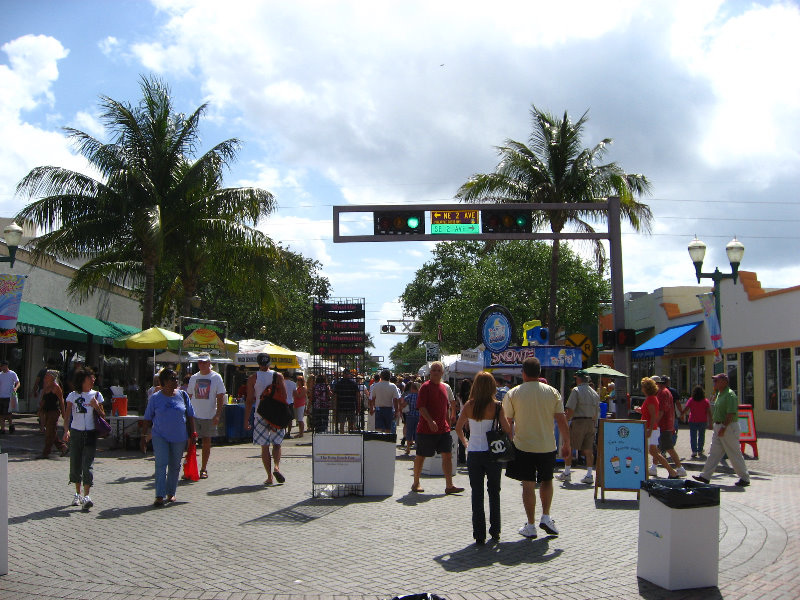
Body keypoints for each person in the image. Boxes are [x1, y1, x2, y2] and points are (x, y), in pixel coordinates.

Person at [502, 357, 570, 538]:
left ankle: (530, 525)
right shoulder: (552, 392)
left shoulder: (513, 393)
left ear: (523, 373)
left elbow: (507, 422)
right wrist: (567, 444)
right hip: (547, 445)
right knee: (547, 481)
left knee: (528, 485)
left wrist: (509, 440)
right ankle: (546, 516)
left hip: (522, 445)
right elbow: (561, 420)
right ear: (540, 373)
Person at [455, 371, 513, 545]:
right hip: (493, 453)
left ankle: (479, 533)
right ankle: (495, 530)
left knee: (477, 494)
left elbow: (458, 428)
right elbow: (507, 429)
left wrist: (466, 444)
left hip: (474, 452)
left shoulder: (469, 405)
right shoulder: (497, 406)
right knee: (494, 492)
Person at [143, 368, 197, 505]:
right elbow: (147, 418)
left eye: (176, 378)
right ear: (163, 382)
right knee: (161, 464)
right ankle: (159, 495)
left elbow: (190, 416)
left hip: (179, 437)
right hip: (160, 435)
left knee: (175, 465)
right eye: (172, 379)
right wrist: (143, 436)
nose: (176, 381)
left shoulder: (183, 395)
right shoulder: (155, 398)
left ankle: (171, 493)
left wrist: (193, 433)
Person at [411, 361, 464, 495]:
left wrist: (448, 423)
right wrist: (430, 421)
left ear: (442, 373)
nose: (435, 372)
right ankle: (416, 482)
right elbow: (421, 407)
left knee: (447, 456)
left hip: (443, 429)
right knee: (421, 455)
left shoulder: (444, 387)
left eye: (438, 370)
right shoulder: (425, 387)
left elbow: (445, 407)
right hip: (426, 429)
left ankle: (449, 485)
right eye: (433, 370)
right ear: (430, 373)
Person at [694, 373, 750, 487]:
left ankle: (744, 478)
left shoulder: (730, 395)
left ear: (724, 382)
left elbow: (731, 413)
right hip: (719, 426)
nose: (714, 383)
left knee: (734, 453)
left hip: (728, 427)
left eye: (716, 381)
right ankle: (705, 476)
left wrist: (724, 427)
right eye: (714, 381)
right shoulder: (720, 394)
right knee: (714, 453)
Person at [63, 367, 105, 511]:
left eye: (93, 378)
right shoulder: (73, 396)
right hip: (76, 432)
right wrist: (66, 430)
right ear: (83, 380)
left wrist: (96, 406)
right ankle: (77, 493)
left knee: (88, 465)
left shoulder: (97, 395)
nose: (93, 380)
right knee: (75, 463)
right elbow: (67, 415)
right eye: (90, 378)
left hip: (91, 433)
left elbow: (103, 415)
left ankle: (87, 495)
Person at [245, 353, 288, 485]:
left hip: (260, 414)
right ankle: (276, 466)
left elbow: (249, 400)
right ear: (270, 363)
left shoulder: (253, 378)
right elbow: (285, 396)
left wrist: (246, 419)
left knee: (264, 446)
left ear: (258, 363)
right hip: (276, 415)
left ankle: (269, 477)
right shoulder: (278, 376)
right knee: (277, 444)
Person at [187, 353, 226, 479]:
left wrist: (217, 415)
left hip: (209, 415)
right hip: (194, 415)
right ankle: (189, 468)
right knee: (190, 442)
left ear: (210, 363)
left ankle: (203, 468)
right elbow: (189, 396)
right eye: (200, 362)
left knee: (206, 442)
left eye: (204, 362)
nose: (202, 364)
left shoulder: (216, 377)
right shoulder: (194, 378)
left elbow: (220, 397)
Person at [558, 370, 600, 484]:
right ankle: (589, 474)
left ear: (579, 379)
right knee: (588, 449)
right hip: (591, 423)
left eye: (576, 378)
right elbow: (597, 412)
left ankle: (567, 472)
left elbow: (570, 409)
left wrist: (565, 420)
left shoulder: (576, 390)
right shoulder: (594, 393)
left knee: (569, 446)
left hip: (578, 421)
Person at [640, 377, 679, 478]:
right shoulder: (652, 398)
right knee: (654, 452)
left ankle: (672, 471)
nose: (642, 389)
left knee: (654, 452)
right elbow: (650, 413)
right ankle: (671, 471)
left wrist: (650, 430)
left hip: (650, 429)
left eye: (643, 387)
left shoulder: (651, 399)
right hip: (650, 428)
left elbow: (654, 416)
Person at [655, 376, 687, 477]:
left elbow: (661, 410)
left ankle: (679, 468)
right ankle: (654, 467)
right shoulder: (666, 392)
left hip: (664, 425)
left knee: (667, 447)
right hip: (667, 423)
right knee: (657, 448)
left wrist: (654, 423)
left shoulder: (662, 393)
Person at [37, 370, 68, 459]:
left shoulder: (56, 387)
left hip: (54, 411)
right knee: (51, 431)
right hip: (46, 410)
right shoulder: (46, 386)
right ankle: (63, 447)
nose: (45, 377)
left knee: (49, 432)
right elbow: (43, 399)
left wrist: (63, 413)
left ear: (52, 377)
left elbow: (61, 401)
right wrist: (40, 410)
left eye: (47, 375)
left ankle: (46, 452)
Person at [681, 385, 712, 458]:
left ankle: (694, 451)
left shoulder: (691, 400)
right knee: (701, 435)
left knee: (693, 436)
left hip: (693, 420)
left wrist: (682, 415)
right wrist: (710, 422)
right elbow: (709, 412)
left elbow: (686, 409)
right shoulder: (705, 401)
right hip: (703, 420)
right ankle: (700, 449)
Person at [369, 369, 400, 434]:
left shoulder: (376, 385)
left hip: (378, 409)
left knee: (378, 428)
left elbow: (373, 398)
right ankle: (387, 442)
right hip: (389, 409)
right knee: (388, 428)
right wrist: (397, 411)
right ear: (389, 377)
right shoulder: (393, 386)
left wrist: (371, 408)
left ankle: (379, 442)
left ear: (381, 376)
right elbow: (395, 400)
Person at [334, 368, 360, 433]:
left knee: (342, 425)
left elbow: (335, 397)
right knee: (351, 425)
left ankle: (342, 438)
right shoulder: (353, 384)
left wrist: (335, 407)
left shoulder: (338, 384)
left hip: (341, 406)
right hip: (351, 406)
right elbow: (358, 396)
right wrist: (358, 406)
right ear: (349, 374)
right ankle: (350, 437)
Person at [0, 360, 20, 434]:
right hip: (1, 396)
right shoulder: (0, 375)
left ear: (6, 366)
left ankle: (11, 425)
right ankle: (2, 429)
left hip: (9, 396)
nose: (2, 368)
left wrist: (16, 388)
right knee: (1, 414)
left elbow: (18, 382)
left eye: (3, 366)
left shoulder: (12, 373)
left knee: (8, 413)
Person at [400, 381, 420, 455]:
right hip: (419, 416)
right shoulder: (421, 396)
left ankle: (408, 447)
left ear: (412, 388)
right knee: (418, 431)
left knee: (409, 431)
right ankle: (418, 447)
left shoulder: (409, 396)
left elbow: (403, 405)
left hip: (410, 415)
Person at [663, 375, 682, 445]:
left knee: (663, 432)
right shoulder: (673, 391)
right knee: (673, 432)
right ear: (668, 382)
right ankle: (671, 446)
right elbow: (678, 403)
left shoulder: (659, 391)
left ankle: (663, 449)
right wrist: (681, 412)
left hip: (663, 415)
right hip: (672, 415)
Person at [283, 372, 296, 438]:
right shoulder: (293, 384)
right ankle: (288, 432)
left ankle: (284, 432)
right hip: (290, 402)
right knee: (290, 419)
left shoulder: (281, 383)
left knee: (283, 418)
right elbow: (295, 394)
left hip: (282, 402)